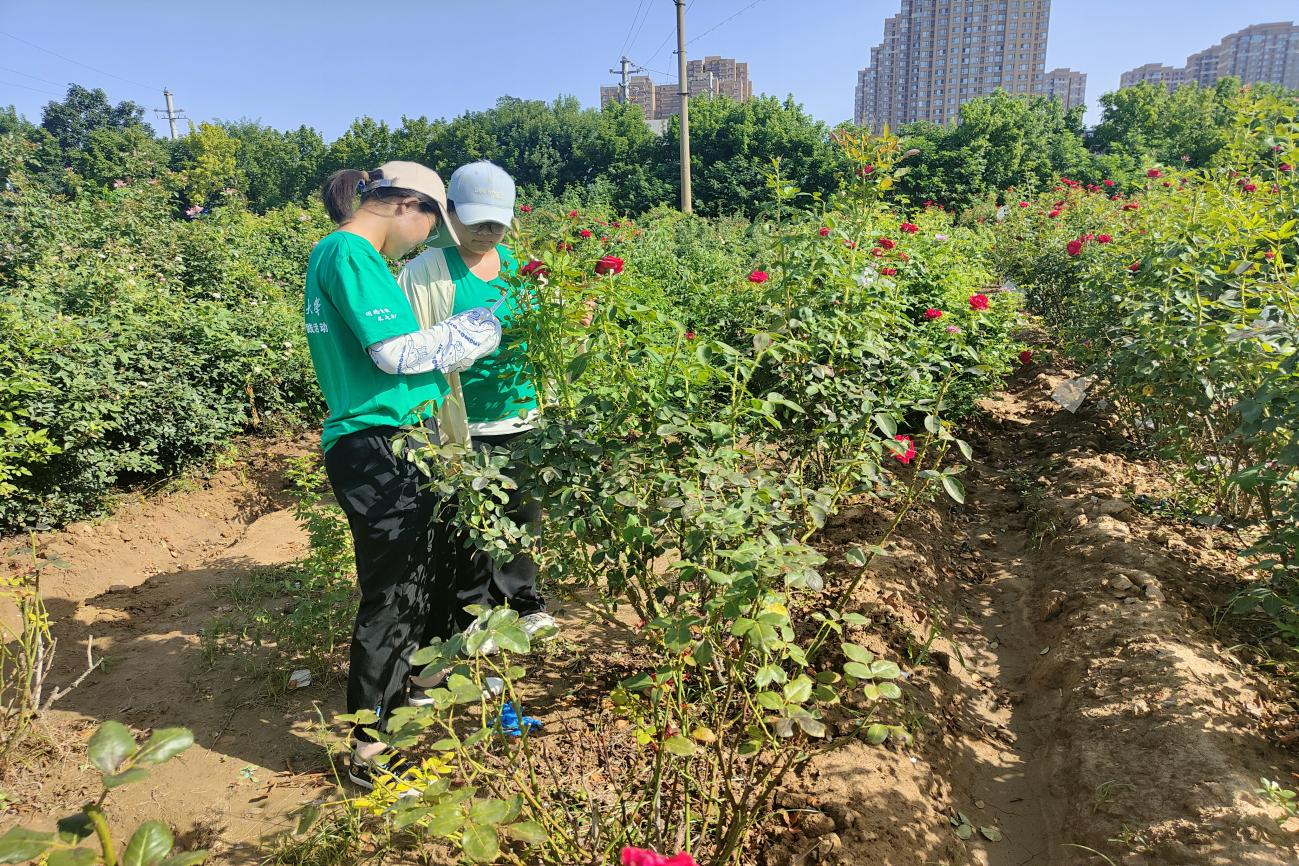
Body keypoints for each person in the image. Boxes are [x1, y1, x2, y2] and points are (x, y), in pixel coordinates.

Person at [303, 161, 502, 788]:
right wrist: (469, 332)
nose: (425, 242)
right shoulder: (348, 253)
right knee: (392, 597)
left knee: (434, 570)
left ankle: (419, 684)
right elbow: (394, 353)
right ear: (407, 206)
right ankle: (370, 751)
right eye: (429, 226)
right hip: (375, 444)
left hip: (400, 440)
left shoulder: (352, 258)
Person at [398, 161, 556, 655]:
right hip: (462, 423)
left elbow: (549, 334)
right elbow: (408, 350)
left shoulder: (524, 268)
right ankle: (474, 611)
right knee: (469, 522)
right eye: (475, 221)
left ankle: (523, 603)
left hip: (522, 413)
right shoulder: (425, 273)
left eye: (496, 223)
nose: (486, 232)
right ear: (449, 213)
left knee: (522, 517)